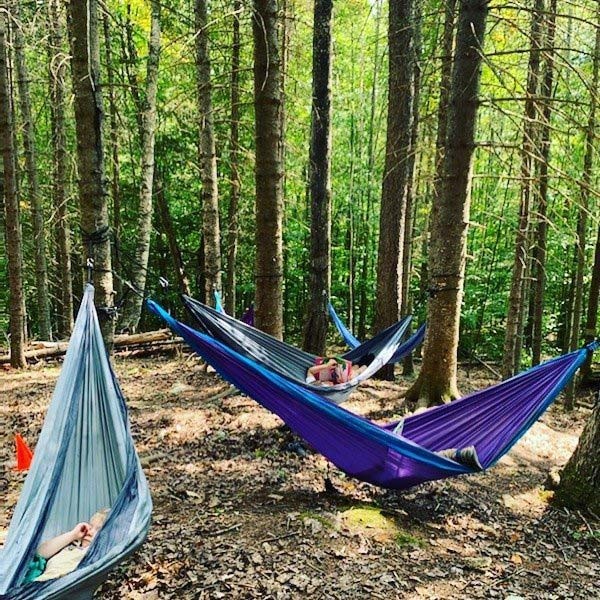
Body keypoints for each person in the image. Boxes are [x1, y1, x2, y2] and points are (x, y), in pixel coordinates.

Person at [23, 509, 109, 583]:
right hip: (36, 586)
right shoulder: (71, 545)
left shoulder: (96, 555)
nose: (89, 532)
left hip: (55, 589)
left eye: (98, 529)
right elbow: (41, 553)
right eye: (90, 527)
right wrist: (73, 534)